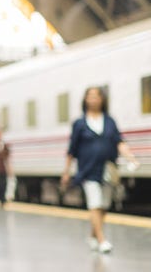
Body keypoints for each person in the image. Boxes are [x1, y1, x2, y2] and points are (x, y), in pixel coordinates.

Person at [60, 86, 139, 254]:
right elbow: (72, 149)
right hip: (88, 170)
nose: (94, 99)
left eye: (97, 96)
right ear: (85, 100)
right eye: (91, 96)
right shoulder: (79, 123)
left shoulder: (109, 121)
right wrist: (66, 172)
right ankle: (102, 240)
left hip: (108, 169)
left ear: (102, 100)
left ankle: (93, 236)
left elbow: (119, 141)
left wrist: (131, 157)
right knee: (94, 203)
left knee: (103, 206)